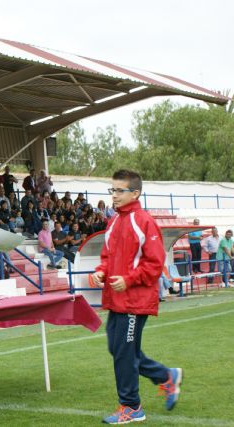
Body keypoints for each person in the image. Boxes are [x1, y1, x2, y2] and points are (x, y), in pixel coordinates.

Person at [91, 169, 182, 424]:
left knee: (124, 353)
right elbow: (108, 257)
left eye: (120, 190)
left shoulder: (144, 221)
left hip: (135, 300)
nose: (114, 195)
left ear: (135, 193)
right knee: (119, 350)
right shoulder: (113, 221)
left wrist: (128, 280)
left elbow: (155, 264)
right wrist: (101, 271)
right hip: (116, 299)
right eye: (113, 190)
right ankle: (166, 376)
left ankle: (132, 407)